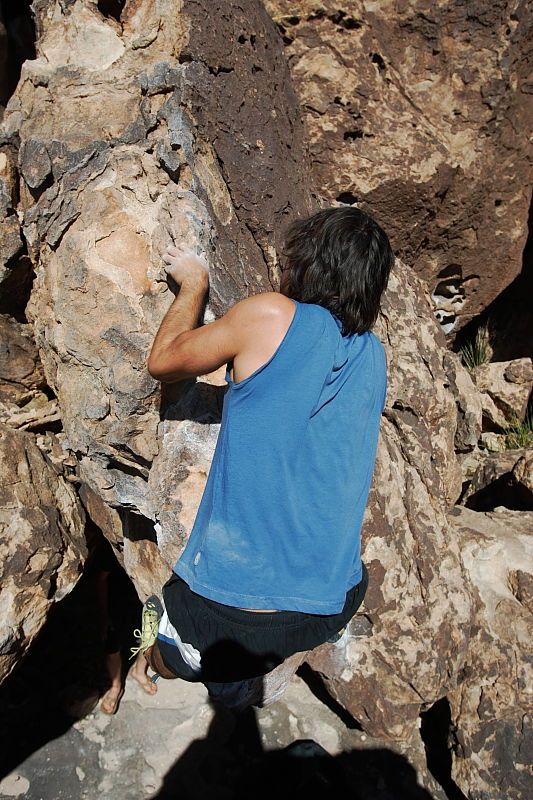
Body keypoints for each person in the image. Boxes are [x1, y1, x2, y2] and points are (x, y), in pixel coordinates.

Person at [130, 206, 394, 710]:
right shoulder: (374, 355)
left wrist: (193, 285)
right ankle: (237, 678)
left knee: (173, 654)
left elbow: (164, 363)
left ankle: (159, 652)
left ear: (308, 261)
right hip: (332, 601)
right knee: (253, 655)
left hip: (232, 610)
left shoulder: (271, 315)